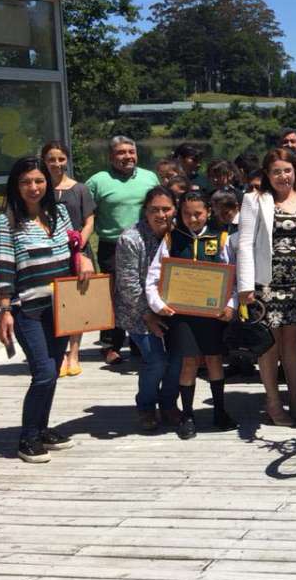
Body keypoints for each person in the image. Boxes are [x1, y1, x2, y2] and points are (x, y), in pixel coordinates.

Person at [0, 157, 94, 463]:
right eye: (25, 182)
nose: (33, 187)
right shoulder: (7, 221)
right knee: (44, 372)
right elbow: (4, 267)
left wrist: (83, 257)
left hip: (61, 306)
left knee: (51, 373)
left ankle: (42, 427)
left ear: (47, 184)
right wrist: (5, 310)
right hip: (28, 309)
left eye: (38, 181)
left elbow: (72, 246)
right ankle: (28, 438)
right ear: (16, 186)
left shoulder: (58, 212)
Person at [236, 148, 296, 425]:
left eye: (287, 170)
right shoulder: (254, 200)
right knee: (269, 346)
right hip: (267, 284)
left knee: (293, 345)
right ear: (267, 174)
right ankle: (273, 403)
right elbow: (244, 243)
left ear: (295, 172)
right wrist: (244, 286)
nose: (282, 176)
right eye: (276, 171)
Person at [146, 191, 237, 439]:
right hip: (182, 314)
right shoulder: (171, 239)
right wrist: (157, 304)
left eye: (198, 213)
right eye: (186, 214)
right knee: (188, 362)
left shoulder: (221, 238)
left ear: (208, 211)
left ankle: (220, 411)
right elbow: (154, 277)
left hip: (213, 313)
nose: (192, 219)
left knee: (214, 360)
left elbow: (233, 278)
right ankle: (187, 415)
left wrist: (231, 304)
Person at [86, 135, 159, 366]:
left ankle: (139, 341)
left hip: (146, 242)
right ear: (110, 156)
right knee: (115, 294)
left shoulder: (150, 177)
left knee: (144, 290)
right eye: (121, 152)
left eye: (131, 151)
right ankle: (111, 344)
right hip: (113, 245)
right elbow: (87, 214)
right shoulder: (98, 181)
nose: (127, 156)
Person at [114, 186, 179, 431]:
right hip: (138, 312)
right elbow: (128, 283)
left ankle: (169, 404)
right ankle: (146, 405)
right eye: (155, 210)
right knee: (156, 361)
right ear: (145, 211)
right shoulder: (130, 239)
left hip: (174, 310)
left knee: (177, 359)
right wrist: (148, 314)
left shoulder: (179, 234)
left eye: (167, 209)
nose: (161, 215)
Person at [41, 140, 95, 378]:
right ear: (44, 161)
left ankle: (74, 353)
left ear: (67, 160)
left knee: (76, 304)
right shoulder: (40, 188)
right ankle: (59, 353)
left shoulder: (80, 189)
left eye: (60, 158)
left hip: (78, 253)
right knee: (53, 304)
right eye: (51, 159)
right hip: (50, 255)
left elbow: (89, 220)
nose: (56, 163)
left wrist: (79, 243)